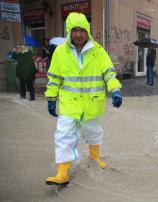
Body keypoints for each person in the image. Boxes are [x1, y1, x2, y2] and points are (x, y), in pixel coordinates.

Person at [44, 12, 123, 186]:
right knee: (64, 135)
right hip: (69, 105)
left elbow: (109, 73)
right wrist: (51, 97)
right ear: (69, 32)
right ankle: (62, 172)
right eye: (74, 30)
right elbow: (54, 77)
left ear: (87, 31)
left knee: (94, 132)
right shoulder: (60, 52)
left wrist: (115, 89)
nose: (78, 34)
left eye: (82, 30)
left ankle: (95, 157)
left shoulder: (98, 51)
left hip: (92, 104)